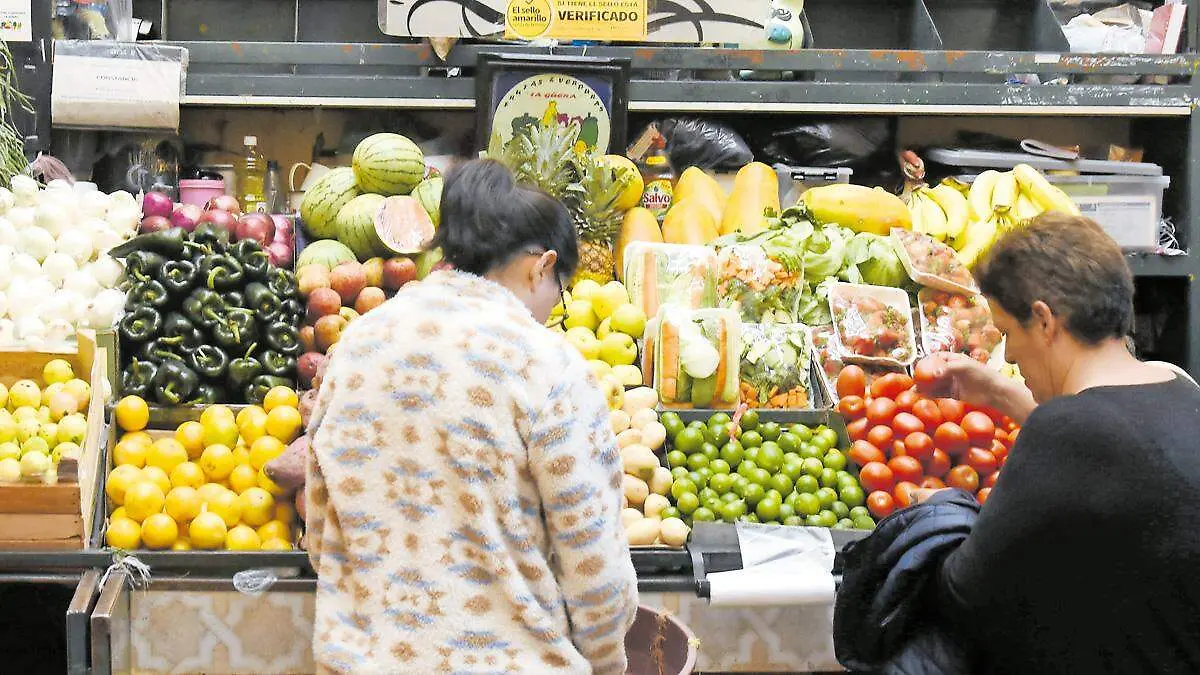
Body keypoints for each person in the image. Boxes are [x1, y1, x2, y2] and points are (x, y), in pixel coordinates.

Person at [304, 159, 638, 674]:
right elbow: (594, 567)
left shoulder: (358, 345)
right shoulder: (546, 364)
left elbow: (321, 522)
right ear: (541, 267)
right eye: (559, 291)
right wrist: (606, 663)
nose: (553, 307)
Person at [835, 213, 1200, 674]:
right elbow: (1116, 442)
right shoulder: (1183, 389)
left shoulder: (1068, 432)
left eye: (1008, 332)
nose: (1007, 354)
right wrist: (999, 393)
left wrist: (945, 507)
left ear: (1045, 321)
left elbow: (964, 594)